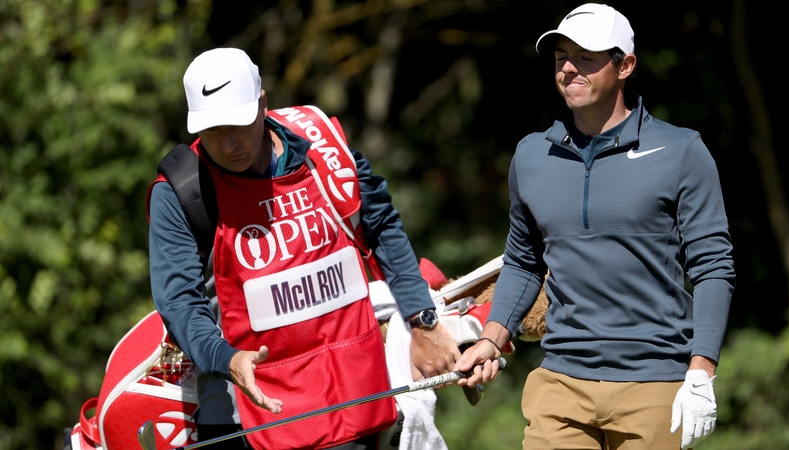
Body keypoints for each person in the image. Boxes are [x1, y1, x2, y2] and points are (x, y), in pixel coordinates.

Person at [147, 47, 460, 450]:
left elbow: (379, 226)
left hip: (354, 396)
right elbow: (178, 303)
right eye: (212, 130)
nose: (228, 145)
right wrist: (226, 359)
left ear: (263, 103)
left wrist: (423, 320)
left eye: (238, 125)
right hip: (247, 410)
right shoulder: (180, 191)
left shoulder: (321, 144)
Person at [455, 4, 735, 450]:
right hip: (561, 382)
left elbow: (713, 266)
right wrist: (492, 338)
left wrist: (701, 370)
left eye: (585, 57)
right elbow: (524, 263)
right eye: (560, 57)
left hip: (655, 383)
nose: (568, 68)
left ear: (625, 66)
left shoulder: (682, 151)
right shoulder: (531, 156)